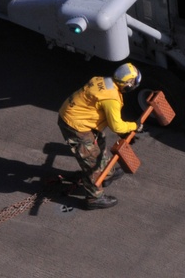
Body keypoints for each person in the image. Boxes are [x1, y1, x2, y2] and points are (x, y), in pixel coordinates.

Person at [58, 63, 143, 209]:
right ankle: (94, 198)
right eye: (134, 82)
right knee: (92, 161)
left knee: (100, 141)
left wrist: (124, 132)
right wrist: (134, 126)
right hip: (75, 126)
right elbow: (116, 125)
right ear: (128, 84)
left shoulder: (102, 80)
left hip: (81, 119)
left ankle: (107, 173)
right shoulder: (111, 99)